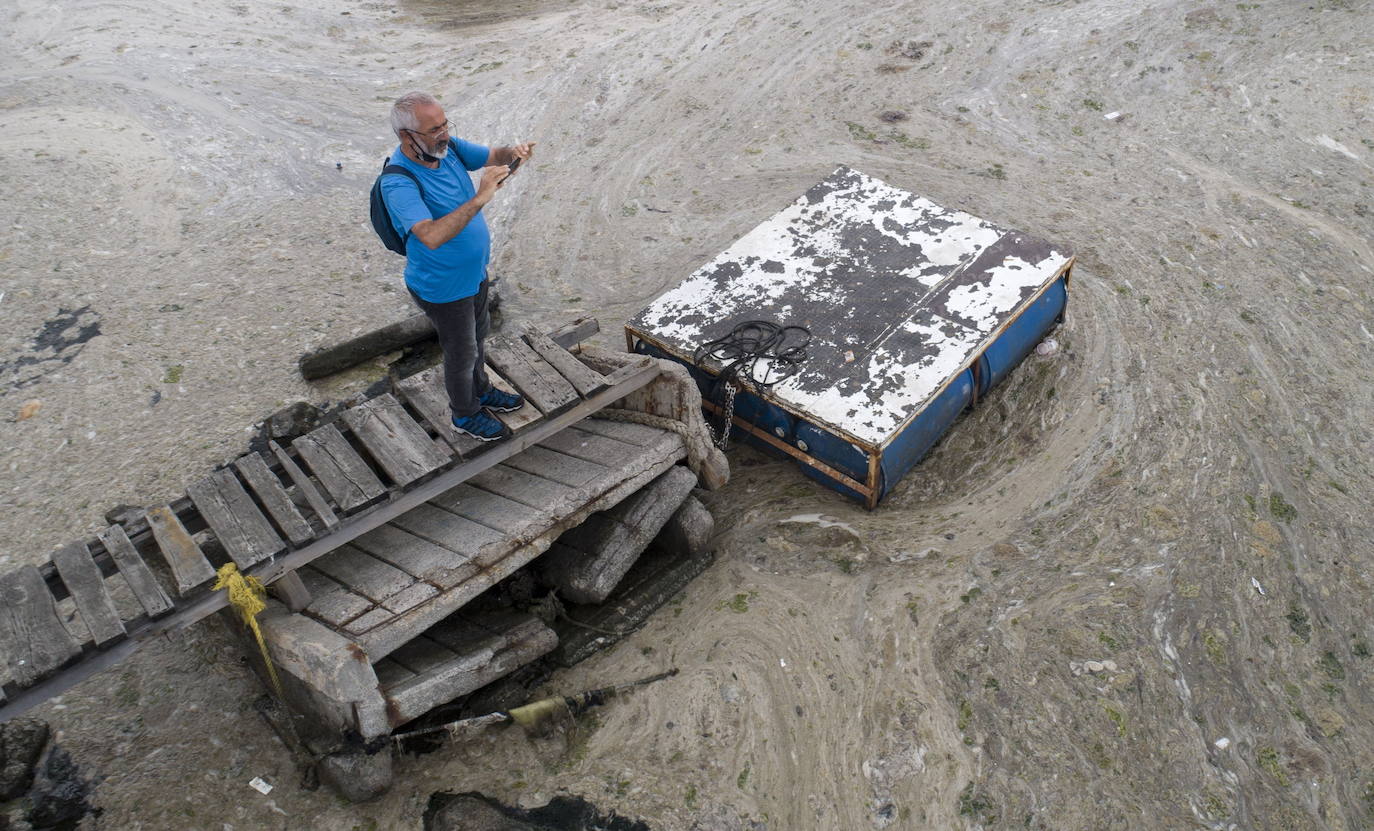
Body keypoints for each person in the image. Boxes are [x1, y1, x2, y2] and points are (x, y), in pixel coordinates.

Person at [380, 91, 535, 441]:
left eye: (445, 123)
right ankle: (464, 415)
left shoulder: (445, 149)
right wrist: (481, 196)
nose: (445, 133)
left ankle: (480, 391)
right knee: (461, 351)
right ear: (407, 137)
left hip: (474, 275)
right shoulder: (398, 182)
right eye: (434, 129)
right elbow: (431, 236)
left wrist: (516, 154)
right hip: (442, 288)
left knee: (478, 339)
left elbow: (495, 156)